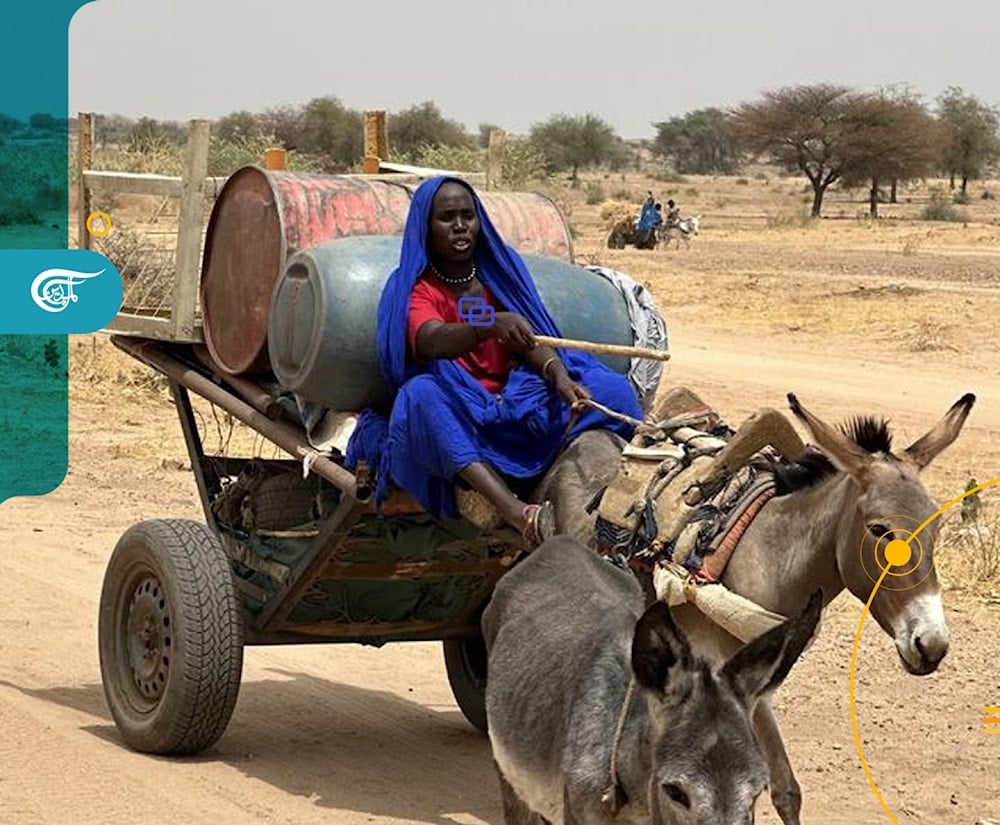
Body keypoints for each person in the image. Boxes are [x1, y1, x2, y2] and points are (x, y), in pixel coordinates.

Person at [347, 176, 643, 546]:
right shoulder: (416, 287)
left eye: (468, 216)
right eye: (447, 217)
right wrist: (487, 327)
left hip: (514, 397)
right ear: (426, 226)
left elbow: (528, 340)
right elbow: (431, 339)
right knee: (419, 397)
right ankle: (514, 511)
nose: (460, 226)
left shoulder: (497, 273)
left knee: (610, 388)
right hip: (464, 406)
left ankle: (615, 476)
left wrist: (558, 375)